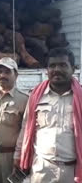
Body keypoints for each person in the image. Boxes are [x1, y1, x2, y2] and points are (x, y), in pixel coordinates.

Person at [14, 48, 82, 183]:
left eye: (63, 65)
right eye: (52, 65)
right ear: (47, 70)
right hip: (42, 168)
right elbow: (26, 127)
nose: (57, 69)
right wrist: (18, 155)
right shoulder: (36, 96)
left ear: (73, 69)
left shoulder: (80, 98)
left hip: (72, 170)